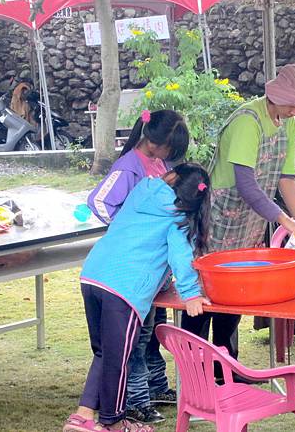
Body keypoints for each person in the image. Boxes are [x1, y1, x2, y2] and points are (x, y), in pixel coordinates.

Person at [181, 63, 295, 377]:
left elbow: (286, 177)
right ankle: (194, 371)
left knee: (235, 292)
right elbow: (246, 185)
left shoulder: (288, 122)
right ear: (278, 94)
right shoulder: (248, 121)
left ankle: (226, 367)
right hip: (220, 216)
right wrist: (286, 221)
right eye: (294, 104)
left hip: (253, 217)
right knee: (204, 295)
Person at [64, 163, 212, 432]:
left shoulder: (142, 189)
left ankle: (83, 416)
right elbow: (180, 256)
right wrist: (191, 294)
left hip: (93, 274)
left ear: (172, 176)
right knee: (119, 357)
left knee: (104, 352)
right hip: (125, 288)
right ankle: (114, 422)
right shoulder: (178, 216)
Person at [87, 109, 188, 424]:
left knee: (149, 334)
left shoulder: (158, 164)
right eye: (172, 150)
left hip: (150, 273)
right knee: (133, 342)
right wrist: (129, 230)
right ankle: (135, 400)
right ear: (156, 142)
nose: (172, 157)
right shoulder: (128, 166)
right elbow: (98, 201)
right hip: (129, 270)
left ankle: (156, 387)